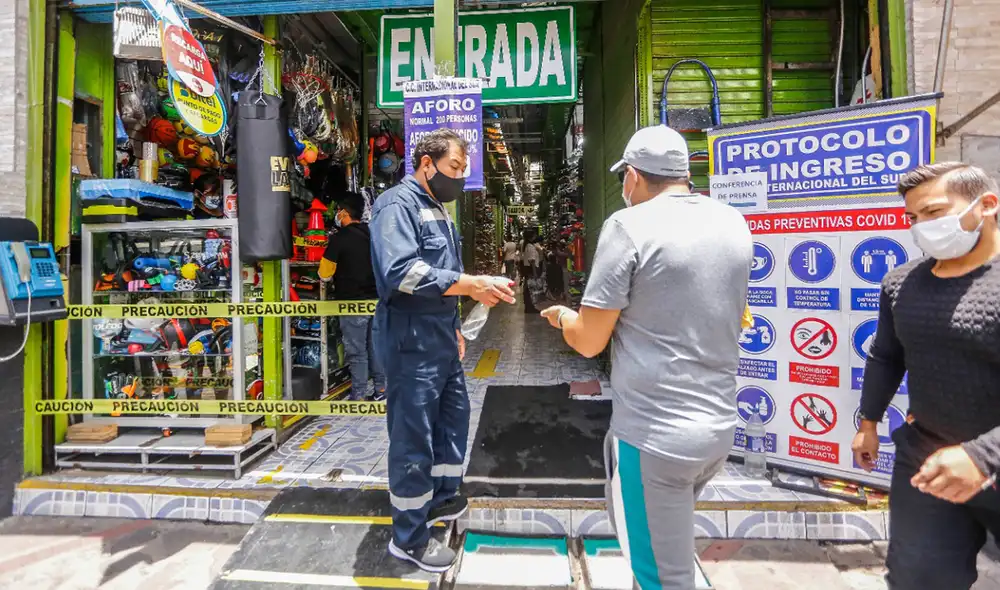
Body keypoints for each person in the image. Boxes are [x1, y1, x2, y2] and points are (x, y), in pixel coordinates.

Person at [540, 125, 752, 589]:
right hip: (716, 429)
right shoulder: (732, 222)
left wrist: (561, 318)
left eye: (623, 179)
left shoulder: (628, 226)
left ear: (632, 176)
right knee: (657, 552)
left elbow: (590, 341)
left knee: (663, 577)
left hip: (655, 439)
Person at [369, 129, 516, 572]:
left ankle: (440, 499)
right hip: (410, 338)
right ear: (426, 163)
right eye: (454, 168)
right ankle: (409, 539)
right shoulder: (397, 205)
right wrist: (473, 284)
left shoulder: (438, 209)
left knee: (453, 418)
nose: (458, 178)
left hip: (439, 336)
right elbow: (402, 272)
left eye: (463, 172)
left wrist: (456, 325)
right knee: (413, 436)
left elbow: (444, 275)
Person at [851, 162, 1000, 590]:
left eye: (933, 213)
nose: (922, 227)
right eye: (913, 218)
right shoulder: (902, 283)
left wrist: (982, 456)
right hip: (928, 459)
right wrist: (868, 424)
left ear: (985, 205)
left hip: (988, 458)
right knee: (917, 578)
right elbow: (886, 356)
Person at [318, 192, 384, 401]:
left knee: (357, 352)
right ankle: (381, 390)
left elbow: (324, 274)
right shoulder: (374, 235)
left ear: (344, 213)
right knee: (376, 348)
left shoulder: (339, 239)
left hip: (352, 303)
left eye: (338, 211)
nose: (337, 215)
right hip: (377, 302)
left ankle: (358, 394)